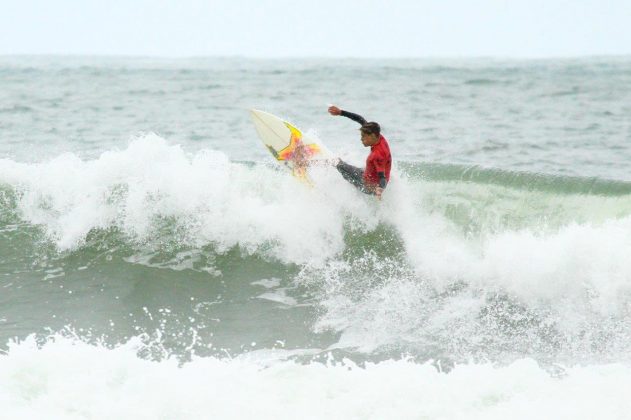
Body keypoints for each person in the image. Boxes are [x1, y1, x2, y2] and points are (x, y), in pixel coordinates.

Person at [328, 105, 392, 199]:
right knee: (348, 167)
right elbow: (359, 119)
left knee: (336, 162)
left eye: (363, 137)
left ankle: (306, 163)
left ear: (372, 136)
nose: (361, 139)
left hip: (366, 186)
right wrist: (341, 112)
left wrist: (380, 189)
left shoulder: (378, 155)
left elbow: (382, 178)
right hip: (366, 175)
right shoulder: (378, 136)